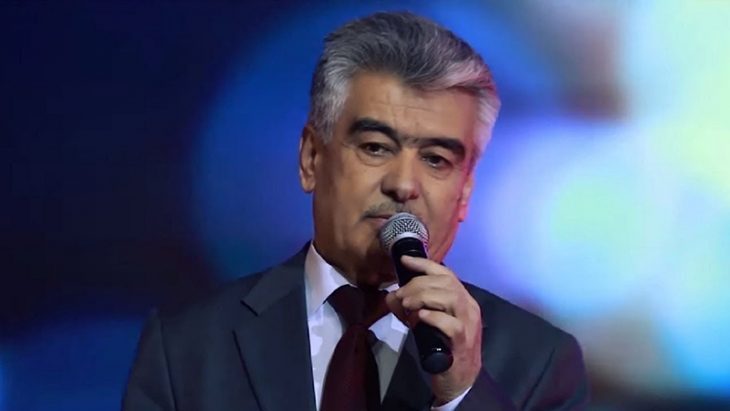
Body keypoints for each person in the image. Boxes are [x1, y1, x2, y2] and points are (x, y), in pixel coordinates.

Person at [123, 11, 589, 411]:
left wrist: (461, 395)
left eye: (435, 160)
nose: (403, 184)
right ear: (312, 158)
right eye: (375, 147)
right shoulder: (186, 348)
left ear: (465, 193)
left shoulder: (539, 363)